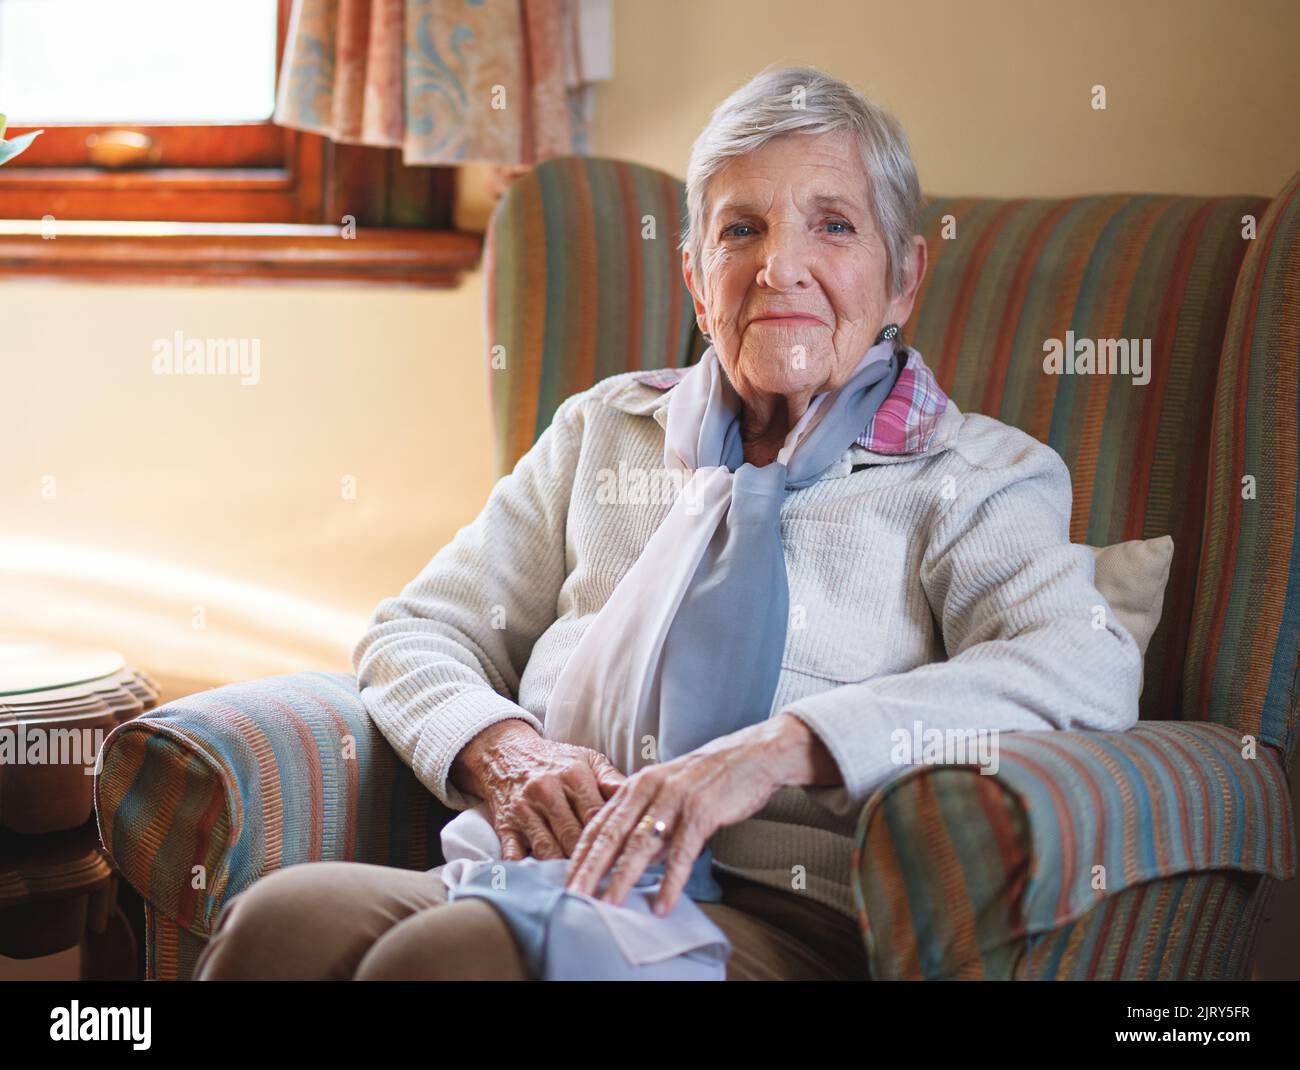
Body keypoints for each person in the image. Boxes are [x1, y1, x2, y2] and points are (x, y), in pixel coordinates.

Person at [194, 63, 1141, 982]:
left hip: (775, 914)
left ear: (902, 280)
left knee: (445, 964)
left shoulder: (972, 476)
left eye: (835, 225)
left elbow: (1080, 660)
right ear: (696, 277)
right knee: (278, 926)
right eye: (741, 230)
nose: (780, 268)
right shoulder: (604, 429)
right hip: (531, 867)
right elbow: (420, 629)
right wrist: (506, 751)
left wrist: (777, 749)